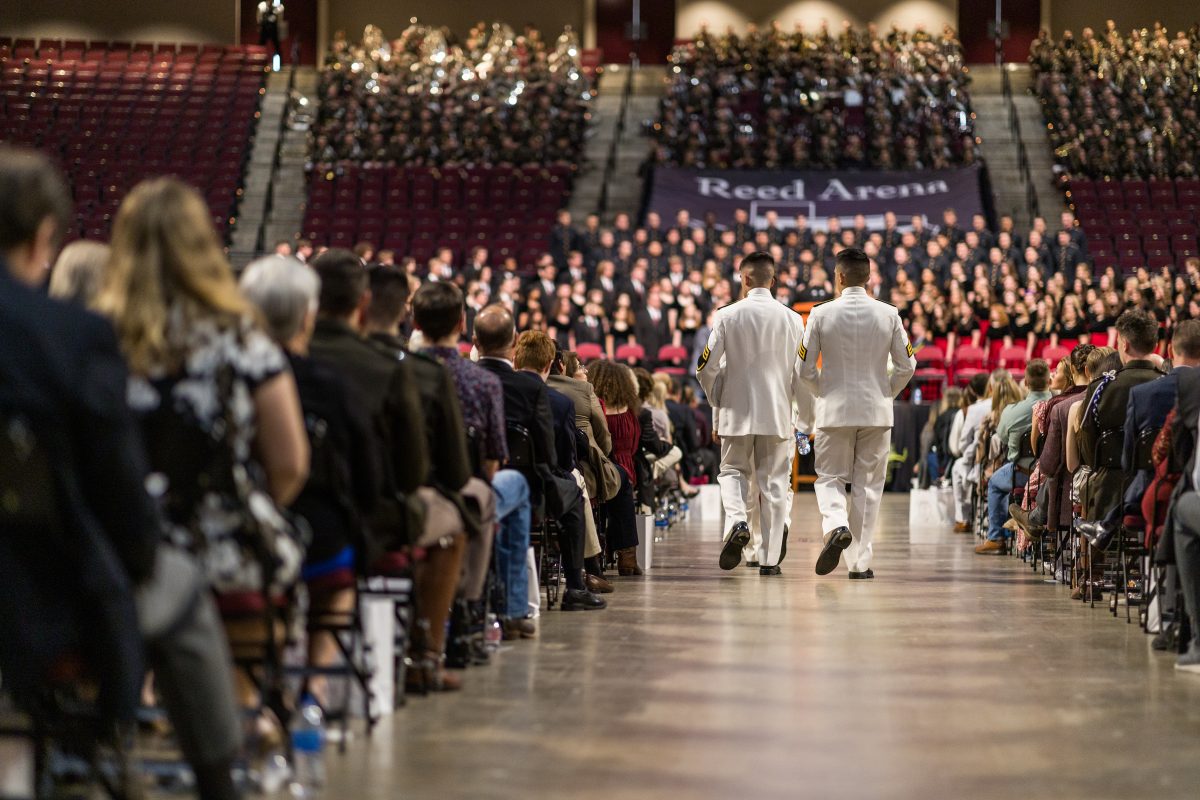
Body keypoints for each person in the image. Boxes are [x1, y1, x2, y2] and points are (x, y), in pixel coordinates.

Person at [98, 175, 310, 795]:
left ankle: (141, 704)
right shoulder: (241, 340)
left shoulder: (91, 338)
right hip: (225, 553)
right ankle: (240, 727)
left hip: (115, 555)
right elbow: (290, 463)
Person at [238, 255, 381, 703]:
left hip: (240, 531)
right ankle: (316, 681)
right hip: (318, 537)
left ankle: (265, 675)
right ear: (308, 315)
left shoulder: (226, 375)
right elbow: (368, 475)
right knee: (338, 576)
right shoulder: (332, 384)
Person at [411, 281, 537, 639]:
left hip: (406, 487)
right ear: (460, 327)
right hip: (462, 490)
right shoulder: (480, 382)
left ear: (416, 323)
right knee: (516, 485)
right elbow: (495, 457)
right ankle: (508, 609)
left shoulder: (402, 370)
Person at [475, 305, 606, 610]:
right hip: (532, 484)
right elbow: (553, 454)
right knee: (573, 494)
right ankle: (574, 586)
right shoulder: (547, 396)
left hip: (474, 477)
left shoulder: (465, 379)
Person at [800, 247, 916, 579]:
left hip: (834, 409)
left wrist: (824, 392)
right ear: (868, 277)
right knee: (868, 486)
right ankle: (859, 563)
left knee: (830, 477)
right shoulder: (888, 313)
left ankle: (836, 524)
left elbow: (804, 369)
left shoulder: (821, 313)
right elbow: (907, 366)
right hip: (876, 411)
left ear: (838, 277)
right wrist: (885, 393)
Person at [697, 251, 809, 575]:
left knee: (732, 473)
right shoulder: (792, 319)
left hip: (736, 410)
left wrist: (718, 397)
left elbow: (705, 368)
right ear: (773, 280)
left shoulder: (726, 315)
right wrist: (803, 420)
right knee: (774, 485)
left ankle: (737, 522)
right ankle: (770, 560)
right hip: (777, 413)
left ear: (744, 279)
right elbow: (801, 375)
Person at [975, 359, 1053, 554]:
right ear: (1049, 381)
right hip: (1051, 474)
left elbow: (1001, 437)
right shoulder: (1059, 404)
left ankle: (996, 538)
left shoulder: (1012, 412)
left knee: (994, 483)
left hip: (1023, 472)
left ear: (1025, 382)